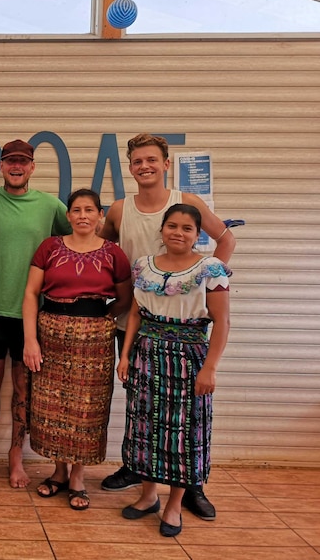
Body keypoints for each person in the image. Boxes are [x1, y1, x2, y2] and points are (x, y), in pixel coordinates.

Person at [99, 133, 236, 521]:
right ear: (130, 166)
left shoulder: (186, 203)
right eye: (138, 161)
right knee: (143, 408)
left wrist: (206, 282)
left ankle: (191, 487)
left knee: (187, 416)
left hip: (186, 330)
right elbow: (103, 251)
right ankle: (141, 475)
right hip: (136, 323)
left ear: (165, 164)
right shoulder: (119, 210)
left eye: (152, 160)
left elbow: (226, 239)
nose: (145, 166)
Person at [118, 203, 231, 537]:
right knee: (145, 426)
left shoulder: (210, 269)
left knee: (183, 433)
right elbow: (136, 314)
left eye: (186, 228)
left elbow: (222, 321)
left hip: (189, 357)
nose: (178, 233)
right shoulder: (144, 267)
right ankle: (148, 495)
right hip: (146, 353)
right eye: (172, 226)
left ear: (198, 234)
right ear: (162, 230)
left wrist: (210, 368)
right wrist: (125, 355)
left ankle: (173, 505)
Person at [22, 188, 132, 511]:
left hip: (95, 339)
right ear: (67, 215)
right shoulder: (49, 247)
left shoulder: (114, 253)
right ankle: (58, 471)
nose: (83, 215)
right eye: (77, 210)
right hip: (51, 332)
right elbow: (31, 293)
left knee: (87, 409)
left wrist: (102, 318)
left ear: (100, 216)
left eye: (90, 210)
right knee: (51, 406)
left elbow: (125, 299)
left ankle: (78, 477)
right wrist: (31, 339)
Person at [0, 139, 71, 489]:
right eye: (10, 161)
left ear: (32, 167)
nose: (16, 167)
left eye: (23, 162)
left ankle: (16, 460)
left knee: (23, 392)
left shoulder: (49, 205)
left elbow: (80, 237)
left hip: (34, 316)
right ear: (1, 166)